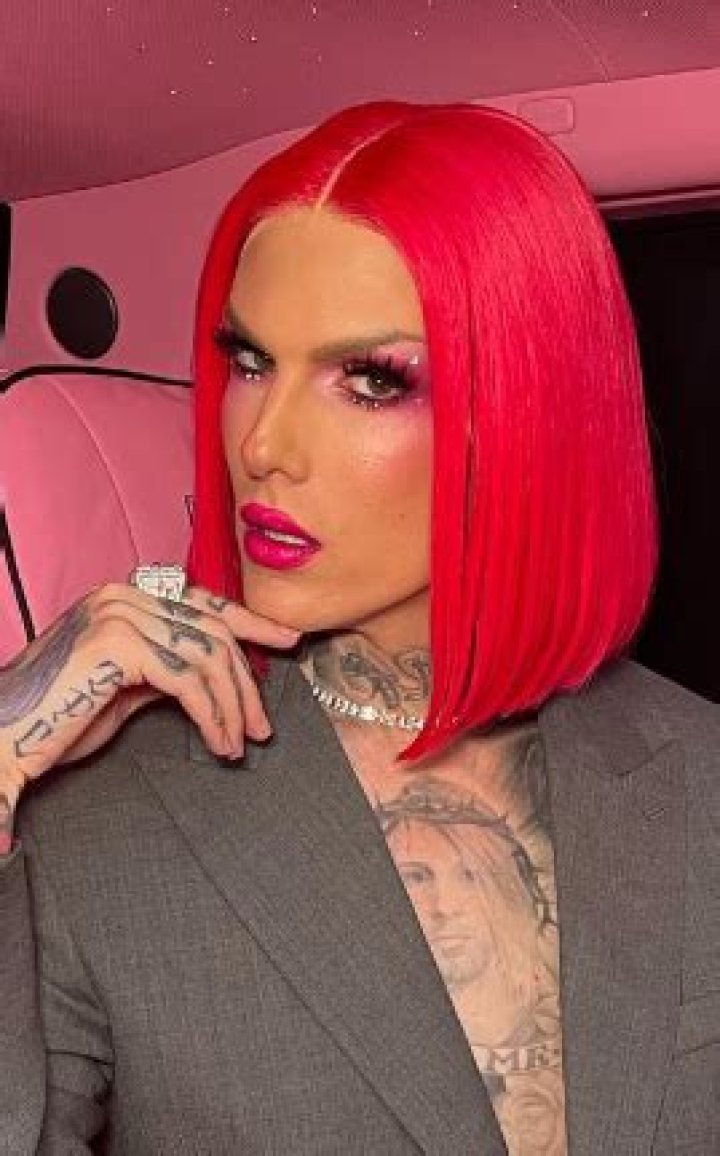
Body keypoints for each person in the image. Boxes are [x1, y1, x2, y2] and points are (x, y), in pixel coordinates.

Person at [0, 100, 717, 1156]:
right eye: (250, 362)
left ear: (530, 413)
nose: (265, 444)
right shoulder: (103, 822)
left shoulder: (698, 774)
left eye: (370, 382)